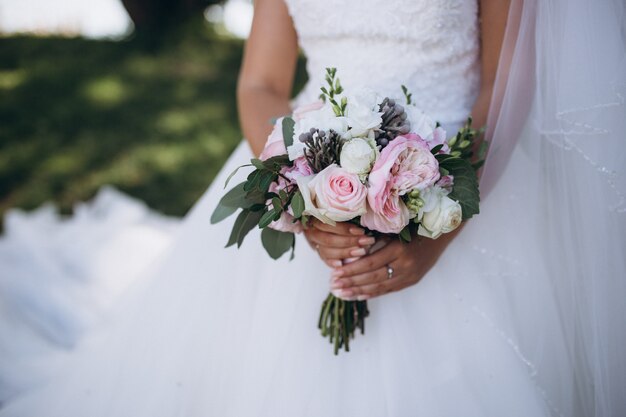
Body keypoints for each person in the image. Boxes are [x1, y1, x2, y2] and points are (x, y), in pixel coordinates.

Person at [0, 0, 624, 416]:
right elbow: (260, 84)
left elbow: (505, 80)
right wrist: (305, 197)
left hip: (463, 168)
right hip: (310, 158)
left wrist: (437, 234)